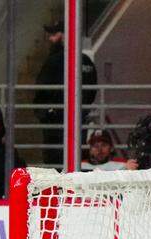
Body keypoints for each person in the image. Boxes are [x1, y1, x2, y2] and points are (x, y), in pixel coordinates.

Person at [35, 22, 98, 167]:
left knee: (56, 163)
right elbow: (91, 91)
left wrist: (45, 112)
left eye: (55, 34)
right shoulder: (85, 61)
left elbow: (41, 90)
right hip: (76, 119)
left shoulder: (54, 61)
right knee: (75, 160)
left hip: (57, 122)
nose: (51, 39)